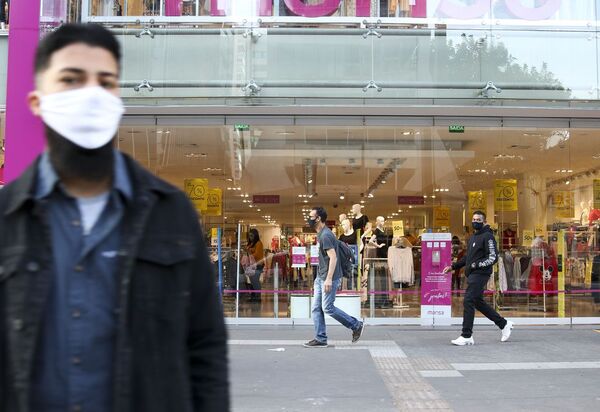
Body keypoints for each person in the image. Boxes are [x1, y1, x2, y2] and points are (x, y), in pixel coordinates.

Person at [0, 24, 229, 411]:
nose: (90, 94)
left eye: (105, 82)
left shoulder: (170, 211)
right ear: (38, 101)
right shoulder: (6, 217)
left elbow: (204, 345)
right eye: (71, 79)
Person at [443, 211, 514, 346]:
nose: (475, 221)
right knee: (477, 302)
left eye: (479, 219)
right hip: (473, 274)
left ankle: (466, 335)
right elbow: (467, 258)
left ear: (484, 221)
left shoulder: (488, 236)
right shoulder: (473, 237)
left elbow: (492, 257)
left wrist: (477, 265)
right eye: (474, 219)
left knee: (468, 300)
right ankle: (504, 324)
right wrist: (453, 266)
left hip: (481, 274)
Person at [303, 207, 364, 348]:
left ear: (318, 219)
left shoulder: (325, 235)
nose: (309, 219)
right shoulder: (322, 234)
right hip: (321, 276)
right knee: (316, 308)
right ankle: (320, 338)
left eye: (311, 216)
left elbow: (333, 257)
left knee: (327, 307)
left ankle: (356, 325)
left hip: (329, 277)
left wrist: (329, 279)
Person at [246, 228, 264, 302]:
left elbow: (257, 254)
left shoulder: (259, 243)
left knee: (255, 281)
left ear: (255, 235)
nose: (250, 237)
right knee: (252, 281)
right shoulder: (251, 243)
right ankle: (253, 296)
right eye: (249, 236)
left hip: (257, 265)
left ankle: (258, 297)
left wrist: (249, 251)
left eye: (252, 235)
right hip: (251, 264)